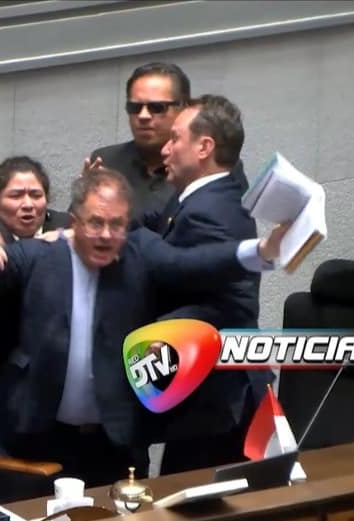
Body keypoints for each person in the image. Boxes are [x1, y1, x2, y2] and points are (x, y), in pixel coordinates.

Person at [0, 170, 288, 486]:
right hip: (37, 437)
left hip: (114, 443)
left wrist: (261, 250)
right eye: (96, 223)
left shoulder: (140, 252)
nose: (106, 235)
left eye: (116, 224)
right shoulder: (38, 256)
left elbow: (192, 264)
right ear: (74, 221)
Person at [152, 94, 274, 473]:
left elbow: (198, 290)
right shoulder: (206, 197)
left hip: (218, 399)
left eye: (175, 138)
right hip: (209, 396)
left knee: (199, 496)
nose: (165, 149)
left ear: (204, 147)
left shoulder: (210, 212)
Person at [0, 156, 71, 451]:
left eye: (35, 195)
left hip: (57, 377)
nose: (28, 204)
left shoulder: (65, 226)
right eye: (16, 195)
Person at [88, 62, 248, 229]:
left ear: (184, 108)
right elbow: (80, 228)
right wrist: (85, 200)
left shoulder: (213, 166)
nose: (143, 116)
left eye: (157, 107)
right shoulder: (106, 162)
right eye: (134, 107)